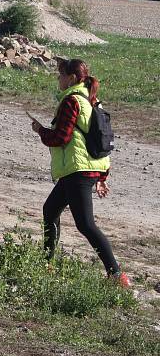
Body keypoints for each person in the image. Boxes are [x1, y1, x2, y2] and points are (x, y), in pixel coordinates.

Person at [29, 58, 131, 287]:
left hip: (78, 170)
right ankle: (46, 265)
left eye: (61, 74)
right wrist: (102, 177)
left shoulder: (71, 101)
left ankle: (117, 276)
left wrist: (41, 131)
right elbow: (100, 140)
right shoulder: (91, 100)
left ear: (72, 78)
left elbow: (60, 138)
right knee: (50, 210)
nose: (58, 78)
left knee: (85, 224)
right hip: (82, 170)